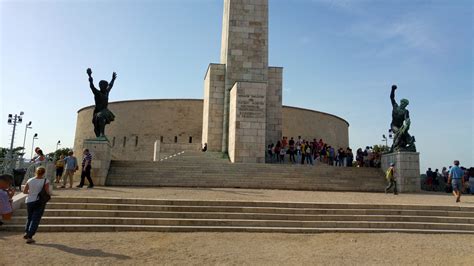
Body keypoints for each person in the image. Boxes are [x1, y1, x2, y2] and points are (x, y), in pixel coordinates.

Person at [23, 167, 51, 244]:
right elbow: (47, 192)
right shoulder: (46, 181)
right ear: (44, 173)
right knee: (35, 219)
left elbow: (24, 191)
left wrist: (32, 192)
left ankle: (27, 232)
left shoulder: (30, 180)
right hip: (39, 201)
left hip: (29, 200)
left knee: (29, 217)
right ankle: (30, 236)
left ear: (36, 172)